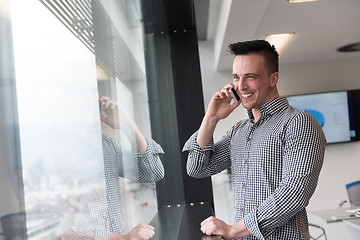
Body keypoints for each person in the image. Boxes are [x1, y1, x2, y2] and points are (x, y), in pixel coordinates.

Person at [183, 40, 326, 240]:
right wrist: (211, 118)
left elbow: (295, 193)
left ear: (273, 79)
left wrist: (233, 230)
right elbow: (197, 168)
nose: (241, 86)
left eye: (250, 77)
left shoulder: (299, 123)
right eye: (236, 77)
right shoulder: (238, 132)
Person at [99, 96, 165, 240]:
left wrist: (127, 125)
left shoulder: (106, 146)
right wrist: (124, 238)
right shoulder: (56, 154)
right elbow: (67, 227)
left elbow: (154, 172)